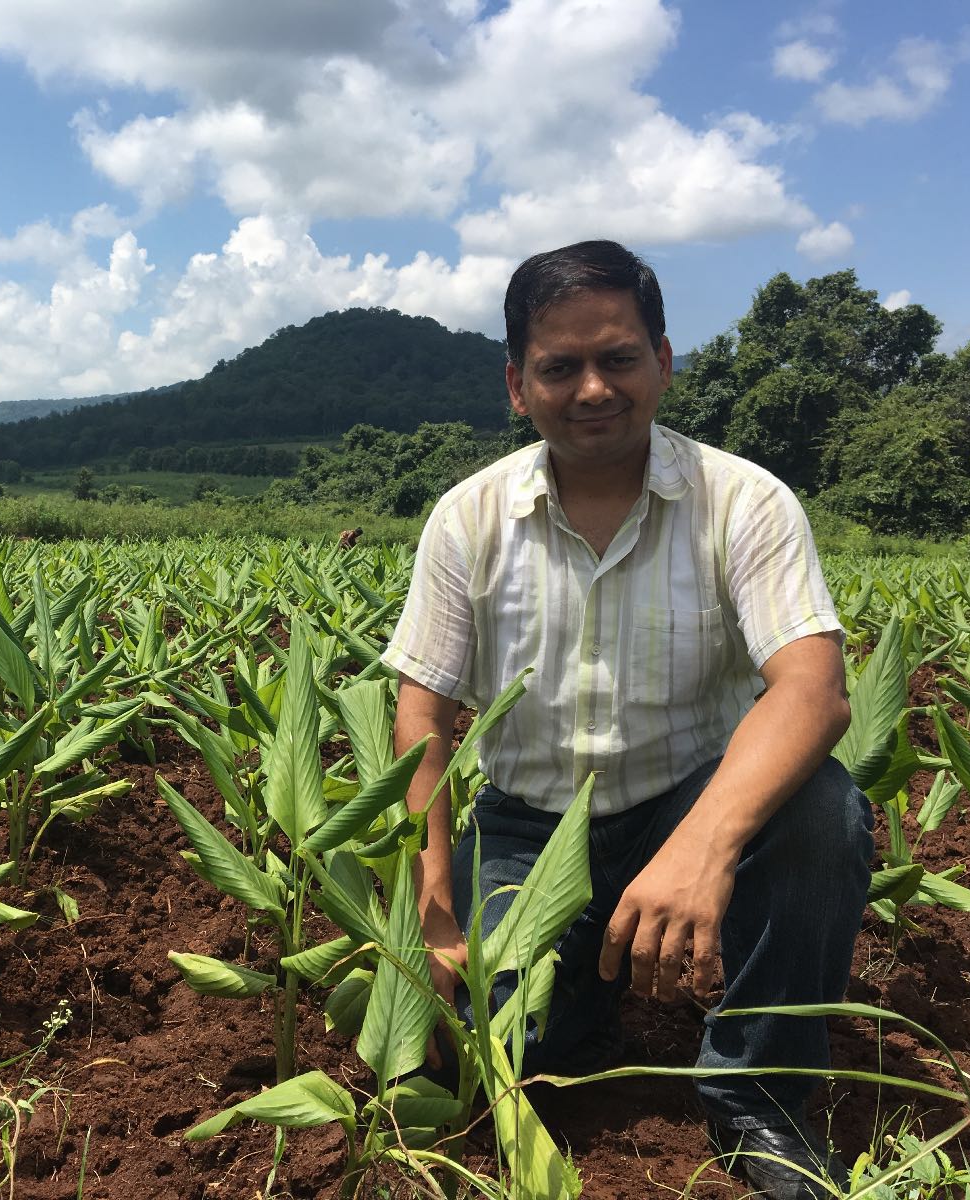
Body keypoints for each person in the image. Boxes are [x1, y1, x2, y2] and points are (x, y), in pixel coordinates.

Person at [381, 240, 873, 1200]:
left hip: (686, 797)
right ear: (518, 386)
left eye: (620, 359)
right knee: (504, 1051)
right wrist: (433, 915)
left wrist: (705, 846)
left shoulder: (744, 501)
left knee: (822, 811)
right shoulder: (469, 517)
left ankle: (759, 1099)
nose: (594, 388)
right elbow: (424, 711)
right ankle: (590, 997)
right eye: (560, 367)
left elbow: (813, 689)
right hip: (530, 827)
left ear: (665, 363)